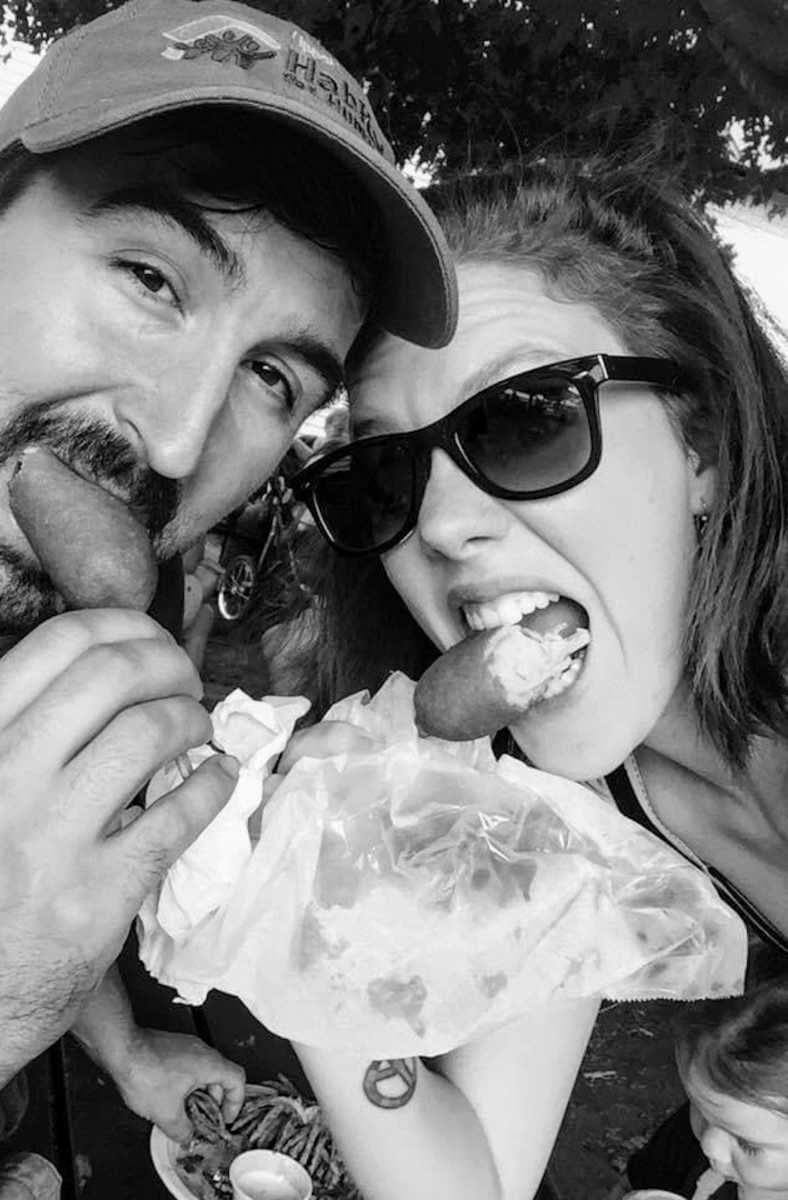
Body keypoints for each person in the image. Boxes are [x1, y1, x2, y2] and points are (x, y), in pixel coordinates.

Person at [0, 0, 457, 1195]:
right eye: (152, 276)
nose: (178, 438)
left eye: (269, 374)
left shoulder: (80, 623)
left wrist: (132, 1054)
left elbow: (37, 874)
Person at [279, 151, 788, 1200]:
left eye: (524, 418)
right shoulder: (549, 808)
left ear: (704, 449)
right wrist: (299, 917)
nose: (440, 524)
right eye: (387, 470)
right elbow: (470, 1183)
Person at [621, 952, 788, 1200]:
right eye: (698, 1108)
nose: (709, 1146)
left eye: (747, 1145)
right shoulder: (700, 1131)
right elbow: (636, 1180)